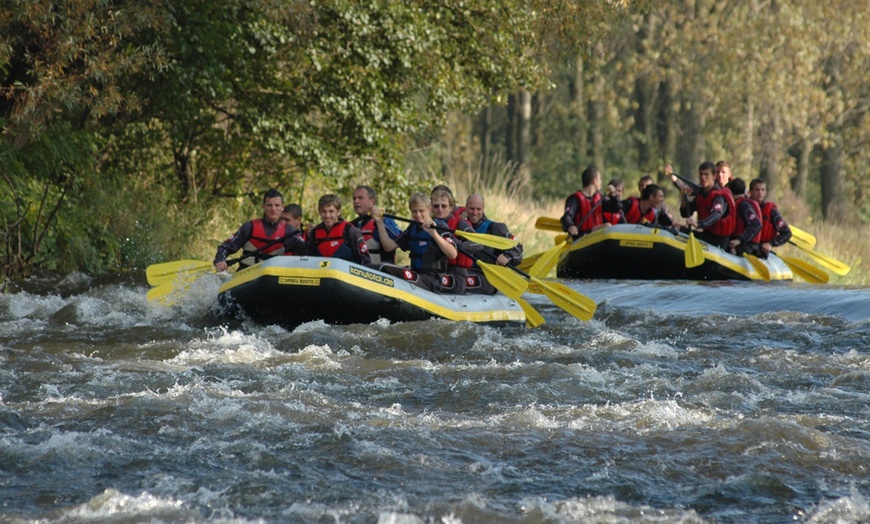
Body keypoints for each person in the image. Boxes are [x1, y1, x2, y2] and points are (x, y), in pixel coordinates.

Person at [372, 192, 461, 293]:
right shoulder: (413, 228)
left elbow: (453, 254)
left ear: (429, 209)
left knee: (385, 267)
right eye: (414, 211)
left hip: (433, 278)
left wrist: (434, 234)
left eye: (421, 211)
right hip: (416, 273)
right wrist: (379, 223)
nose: (418, 215)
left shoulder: (439, 226)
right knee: (383, 267)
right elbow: (388, 247)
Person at [214, 188, 294, 271]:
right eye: (269, 205)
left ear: (282, 207)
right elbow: (225, 247)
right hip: (247, 272)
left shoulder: (289, 231)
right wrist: (220, 260)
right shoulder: (249, 227)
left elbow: (301, 253)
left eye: (277, 205)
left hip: (274, 274)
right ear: (263, 206)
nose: (273, 209)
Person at [463, 193, 524, 294]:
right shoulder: (459, 225)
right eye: (471, 209)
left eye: (478, 209)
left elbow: (518, 248)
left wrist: (507, 257)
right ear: (466, 208)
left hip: (486, 279)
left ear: (483, 209)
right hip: (463, 273)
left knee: (460, 281)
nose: (475, 212)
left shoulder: (495, 228)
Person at [430, 187, 478, 294]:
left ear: (451, 207)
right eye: (436, 206)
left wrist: (454, 243)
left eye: (444, 206)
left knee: (430, 280)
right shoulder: (427, 225)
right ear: (431, 208)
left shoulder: (460, 224)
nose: (440, 209)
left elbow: (477, 244)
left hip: (457, 275)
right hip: (435, 270)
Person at [680, 161, 735, 250]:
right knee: (680, 231)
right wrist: (684, 197)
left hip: (719, 241)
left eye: (706, 174)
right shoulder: (701, 194)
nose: (703, 177)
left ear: (714, 176)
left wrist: (698, 224)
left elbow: (716, 214)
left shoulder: (719, 196)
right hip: (706, 235)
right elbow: (685, 214)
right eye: (701, 174)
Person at [305, 194, 371, 265]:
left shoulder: (350, 231)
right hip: (323, 271)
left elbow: (365, 262)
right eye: (324, 211)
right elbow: (310, 261)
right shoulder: (314, 233)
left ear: (338, 212)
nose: (327, 216)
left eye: (331, 211)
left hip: (347, 271)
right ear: (319, 212)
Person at [350, 185, 401, 264]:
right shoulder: (353, 225)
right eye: (354, 199)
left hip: (380, 269)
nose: (356, 201)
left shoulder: (384, 220)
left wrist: (379, 223)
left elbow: (400, 240)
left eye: (360, 198)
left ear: (372, 201)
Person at [560, 166, 615, 239]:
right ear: (594, 181)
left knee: (608, 226)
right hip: (581, 236)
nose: (601, 181)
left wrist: (613, 196)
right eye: (599, 179)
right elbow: (566, 217)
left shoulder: (600, 198)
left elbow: (615, 208)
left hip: (595, 236)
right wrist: (570, 226)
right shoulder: (574, 199)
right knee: (607, 226)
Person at [749, 178, 792, 257]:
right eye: (757, 190)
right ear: (750, 192)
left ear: (765, 192)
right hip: (744, 247)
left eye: (762, 190)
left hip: (760, 251)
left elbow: (787, 233)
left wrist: (771, 244)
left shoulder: (771, 210)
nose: (760, 193)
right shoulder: (744, 207)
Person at [726, 178, 763, 256]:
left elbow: (756, 224)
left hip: (747, 245)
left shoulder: (744, 205)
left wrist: (739, 240)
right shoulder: (739, 203)